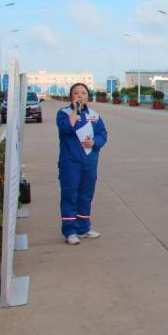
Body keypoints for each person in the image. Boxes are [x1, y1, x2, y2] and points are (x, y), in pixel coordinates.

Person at [56, 83, 108, 245]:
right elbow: (65, 129)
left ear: (88, 96)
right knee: (70, 195)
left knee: (86, 196)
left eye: (83, 93)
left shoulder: (94, 115)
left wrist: (94, 142)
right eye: (76, 93)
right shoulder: (64, 113)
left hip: (89, 162)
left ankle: (84, 228)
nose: (80, 95)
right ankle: (70, 231)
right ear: (71, 96)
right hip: (70, 163)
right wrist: (75, 111)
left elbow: (102, 134)